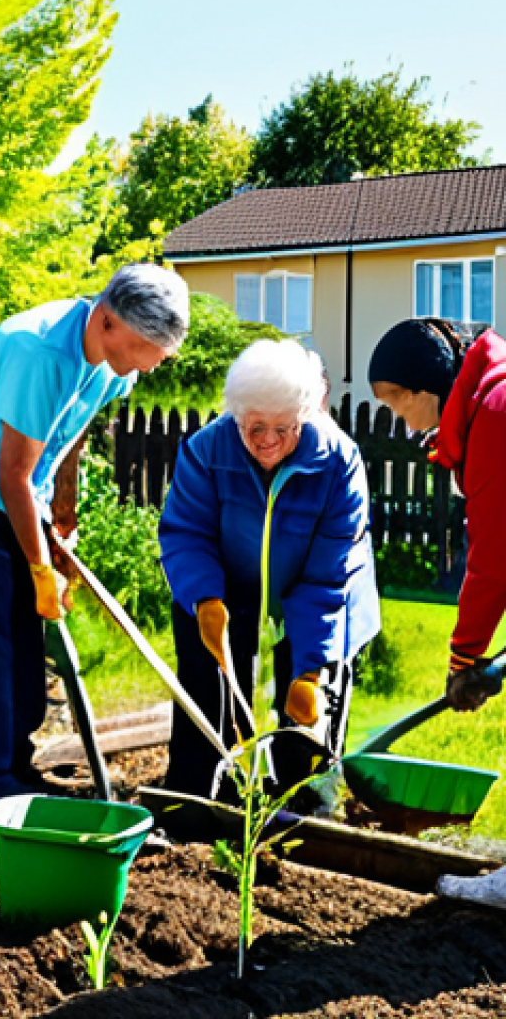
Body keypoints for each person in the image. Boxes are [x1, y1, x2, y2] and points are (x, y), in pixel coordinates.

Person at [0, 264, 190, 829]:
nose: (152, 361)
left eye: (159, 350)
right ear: (107, 321)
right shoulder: (40, 353)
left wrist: (61, 518)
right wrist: (41, 569)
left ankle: (12, 771)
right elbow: (11, 474)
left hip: (18, 491)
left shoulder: (115, 358)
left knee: (22, 636)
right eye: (144, 347)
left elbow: (72, 431)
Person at [158, 340, 380, 801]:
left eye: (284, 427)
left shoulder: (339, 462)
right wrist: (204, 599)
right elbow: (186, 534)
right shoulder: (206, 449)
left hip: (322, 594)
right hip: (224, 590)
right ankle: (198, 803)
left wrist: (311, 669)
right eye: (254, 425)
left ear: (308, 414)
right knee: (207, 686)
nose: (267, 440)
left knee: (308, 713)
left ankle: (303, 814)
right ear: (236, 415)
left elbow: (326, 578)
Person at [368, 316, 506, 908]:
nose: (400, 422)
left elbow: (494, 560)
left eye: (396, 406)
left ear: (423, 393)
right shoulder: (489, 400)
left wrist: (464, 659)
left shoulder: (496, 416)